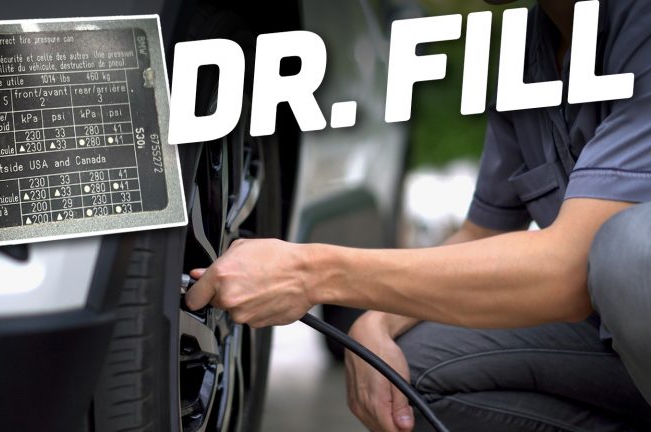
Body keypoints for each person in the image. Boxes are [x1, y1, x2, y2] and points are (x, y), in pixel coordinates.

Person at [185, 0, 651, 430]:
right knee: (405, 372)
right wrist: (376, 320)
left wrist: (313, 272)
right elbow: (479, 235)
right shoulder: (533, 50)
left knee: (628, 248)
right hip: (622, 354)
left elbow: (569, 269)